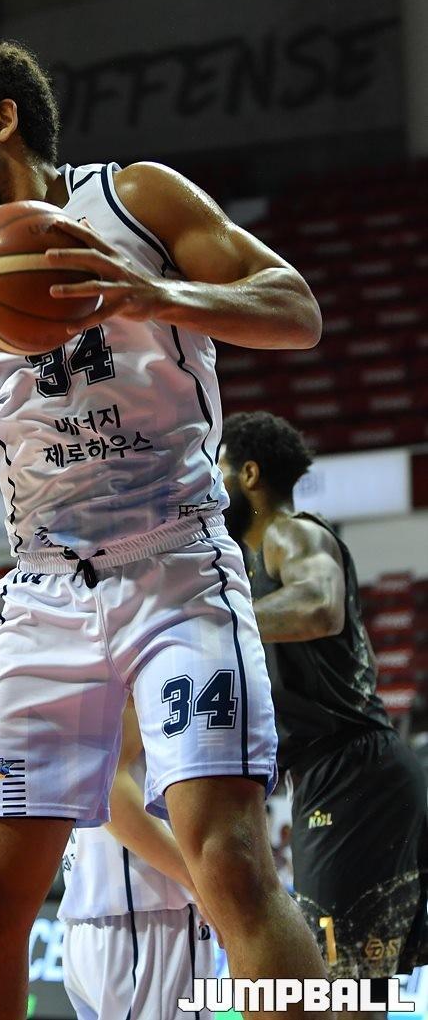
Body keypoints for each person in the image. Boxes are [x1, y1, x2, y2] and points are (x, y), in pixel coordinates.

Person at [0, 40, 328, 1020]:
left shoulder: (136, 198)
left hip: (176, 566)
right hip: (45, 589)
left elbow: (295, 309)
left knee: (229, 860)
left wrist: (155, 293)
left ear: (1, 119)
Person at [220, 410, 428, 1018]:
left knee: (346, 988)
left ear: (250, 475)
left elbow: (319, 605)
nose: (212, 482)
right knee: (349, 987)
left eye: (220, 468)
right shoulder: (250, 564)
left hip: (355, 772)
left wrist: (218, 623)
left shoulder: (291, 533)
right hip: (337, 773)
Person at [60, 700, 215, 1019]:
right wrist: (199, 883)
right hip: (146, 915)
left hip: (94, 918)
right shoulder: (126, 677)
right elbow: (108, 787)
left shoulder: (66, 682)